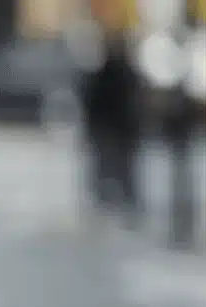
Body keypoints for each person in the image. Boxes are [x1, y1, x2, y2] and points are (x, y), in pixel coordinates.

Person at [80, 24, 146, 228]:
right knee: (113, 171)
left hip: (118, 131)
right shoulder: (118, 74)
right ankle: (113, 205)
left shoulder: (119, 75)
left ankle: (119, 206)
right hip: (114, 131)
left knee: (118, 171)